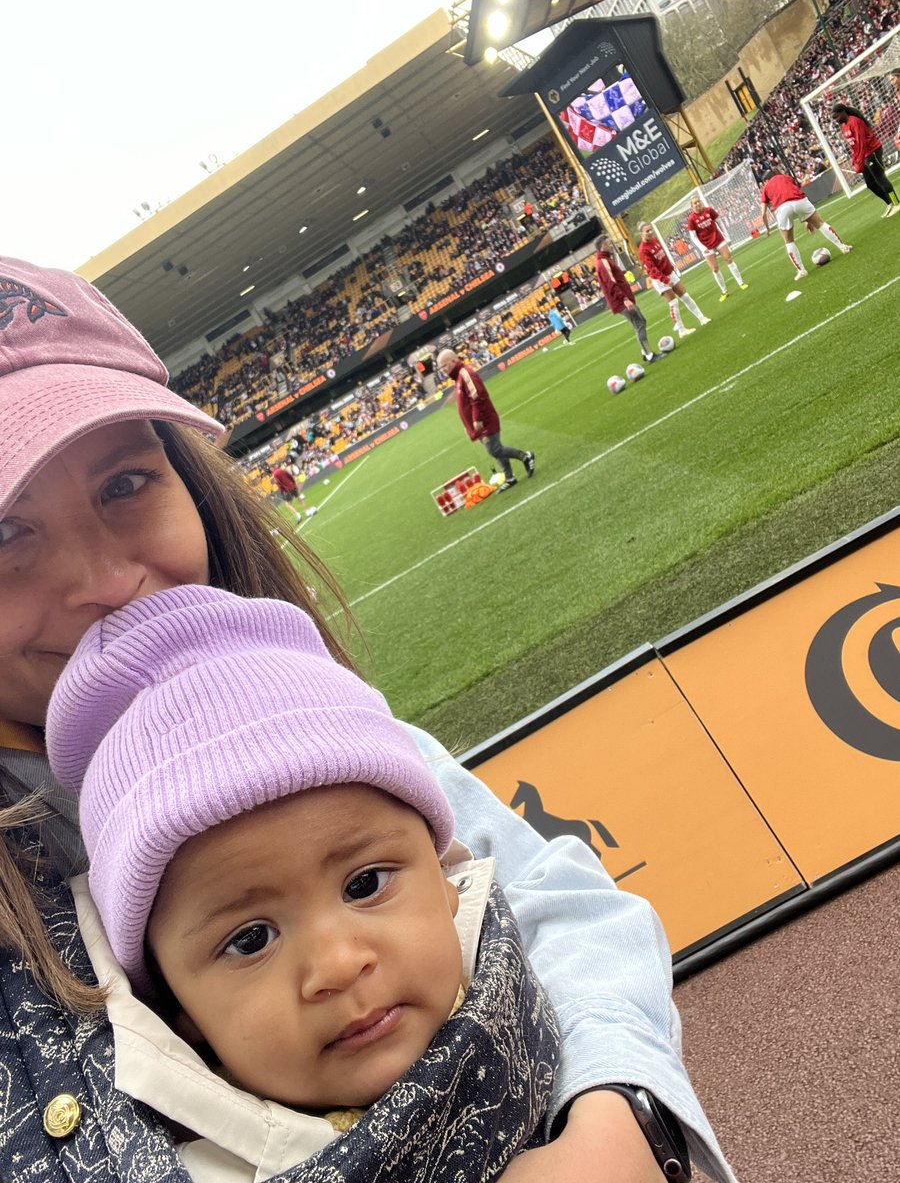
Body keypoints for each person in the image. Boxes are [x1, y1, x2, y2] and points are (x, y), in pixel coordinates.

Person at [0, 254, 735, 1183]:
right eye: (4, 532)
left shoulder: (299, 724)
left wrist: (620, 1118)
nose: (107, 584)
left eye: (124, 485)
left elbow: (556, 899)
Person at [45, 584, 560, 1180]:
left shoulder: (539, 969)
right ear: (178, 1011)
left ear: (446, 880)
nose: (338, 965)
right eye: (250, 940)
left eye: (365, 884)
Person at [436, 347, 535, 492]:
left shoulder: (465, 373)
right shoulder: (458, 377)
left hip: (485, 419)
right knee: (497, 450)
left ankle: (526, 456)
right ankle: (510, 478)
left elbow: (477, 397)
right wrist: (467, 425)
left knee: (494, 450)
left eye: (444, 365)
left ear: (453, 360)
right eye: (441, 367)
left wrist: (476, 419)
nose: (443, 370)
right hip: (478, 423)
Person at [758, 171, 852, 280]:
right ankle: (843, 247)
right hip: (799, 201)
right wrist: (808, 220)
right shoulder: (786, 177)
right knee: (821, 224)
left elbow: (763, 213)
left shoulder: (766, 187)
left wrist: (767, 228)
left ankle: (802, 271)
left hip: (782, 208)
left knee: (788, 241)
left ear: (766, 180)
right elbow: (796, 192)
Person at [593, 237, 663, 364]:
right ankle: (649, 355)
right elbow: (611, 284)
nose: (611, 245)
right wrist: (624, 299)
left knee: (640, 321)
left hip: (623, 299)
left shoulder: (606, 259)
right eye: (609, 243)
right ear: (602, 246)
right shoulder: (603, 262)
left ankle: (645, 352)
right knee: (639, 323)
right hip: (621, 301)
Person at [637, 223, 711, 339]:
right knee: (673, 303)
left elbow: (663, 255)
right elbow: (652, 269)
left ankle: (702, 318)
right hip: (660, 279)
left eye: (650, 230)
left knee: (685, 296)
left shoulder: (655, 240)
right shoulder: (643, 250)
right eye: (647, 231)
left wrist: (670, 265)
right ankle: (681, 330)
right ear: (641, 234)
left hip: (669, 273)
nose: (650, 232)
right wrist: (665, 280)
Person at [831, 102, 899, 217]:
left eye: (837, 116)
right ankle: (890, 203)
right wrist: (855, 161)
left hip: (872, 152)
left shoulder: (855, 122)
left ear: (843, 112)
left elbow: (861, 143)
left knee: (880, 178)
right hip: (865, 156)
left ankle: (897, 203)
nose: (836, 120)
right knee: (870, 184)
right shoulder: (844, 126)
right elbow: (853, 146)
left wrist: (860, 161)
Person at [685, 195, 749, 301]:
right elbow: (693, 236)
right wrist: (702, 248)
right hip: (706, 245)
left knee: (728, 259)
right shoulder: (691, 219)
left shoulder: (709, 210)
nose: (697, 204)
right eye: (694, 203)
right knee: (714, 269)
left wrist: (726, 237)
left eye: (698, 201)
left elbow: (720, 222)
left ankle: (741, 283)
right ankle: (724, 291)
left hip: (718, 239)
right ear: (691, 206)